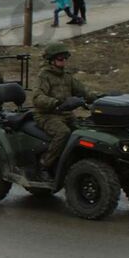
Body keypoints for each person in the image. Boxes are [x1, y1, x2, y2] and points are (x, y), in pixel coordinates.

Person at [32, 41, 98, 174]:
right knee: (63, 133)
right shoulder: (44, 76)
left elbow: (82, 92)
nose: (63, 62)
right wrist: (56, 103)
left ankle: (76, 163)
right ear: (51, 60)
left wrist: (99, 97)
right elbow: (37, 97)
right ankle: (45, 164)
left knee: (84, 132)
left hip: (66, 115)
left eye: (65, 59)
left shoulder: (66, 76)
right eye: (60, 59)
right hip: (47, 115)